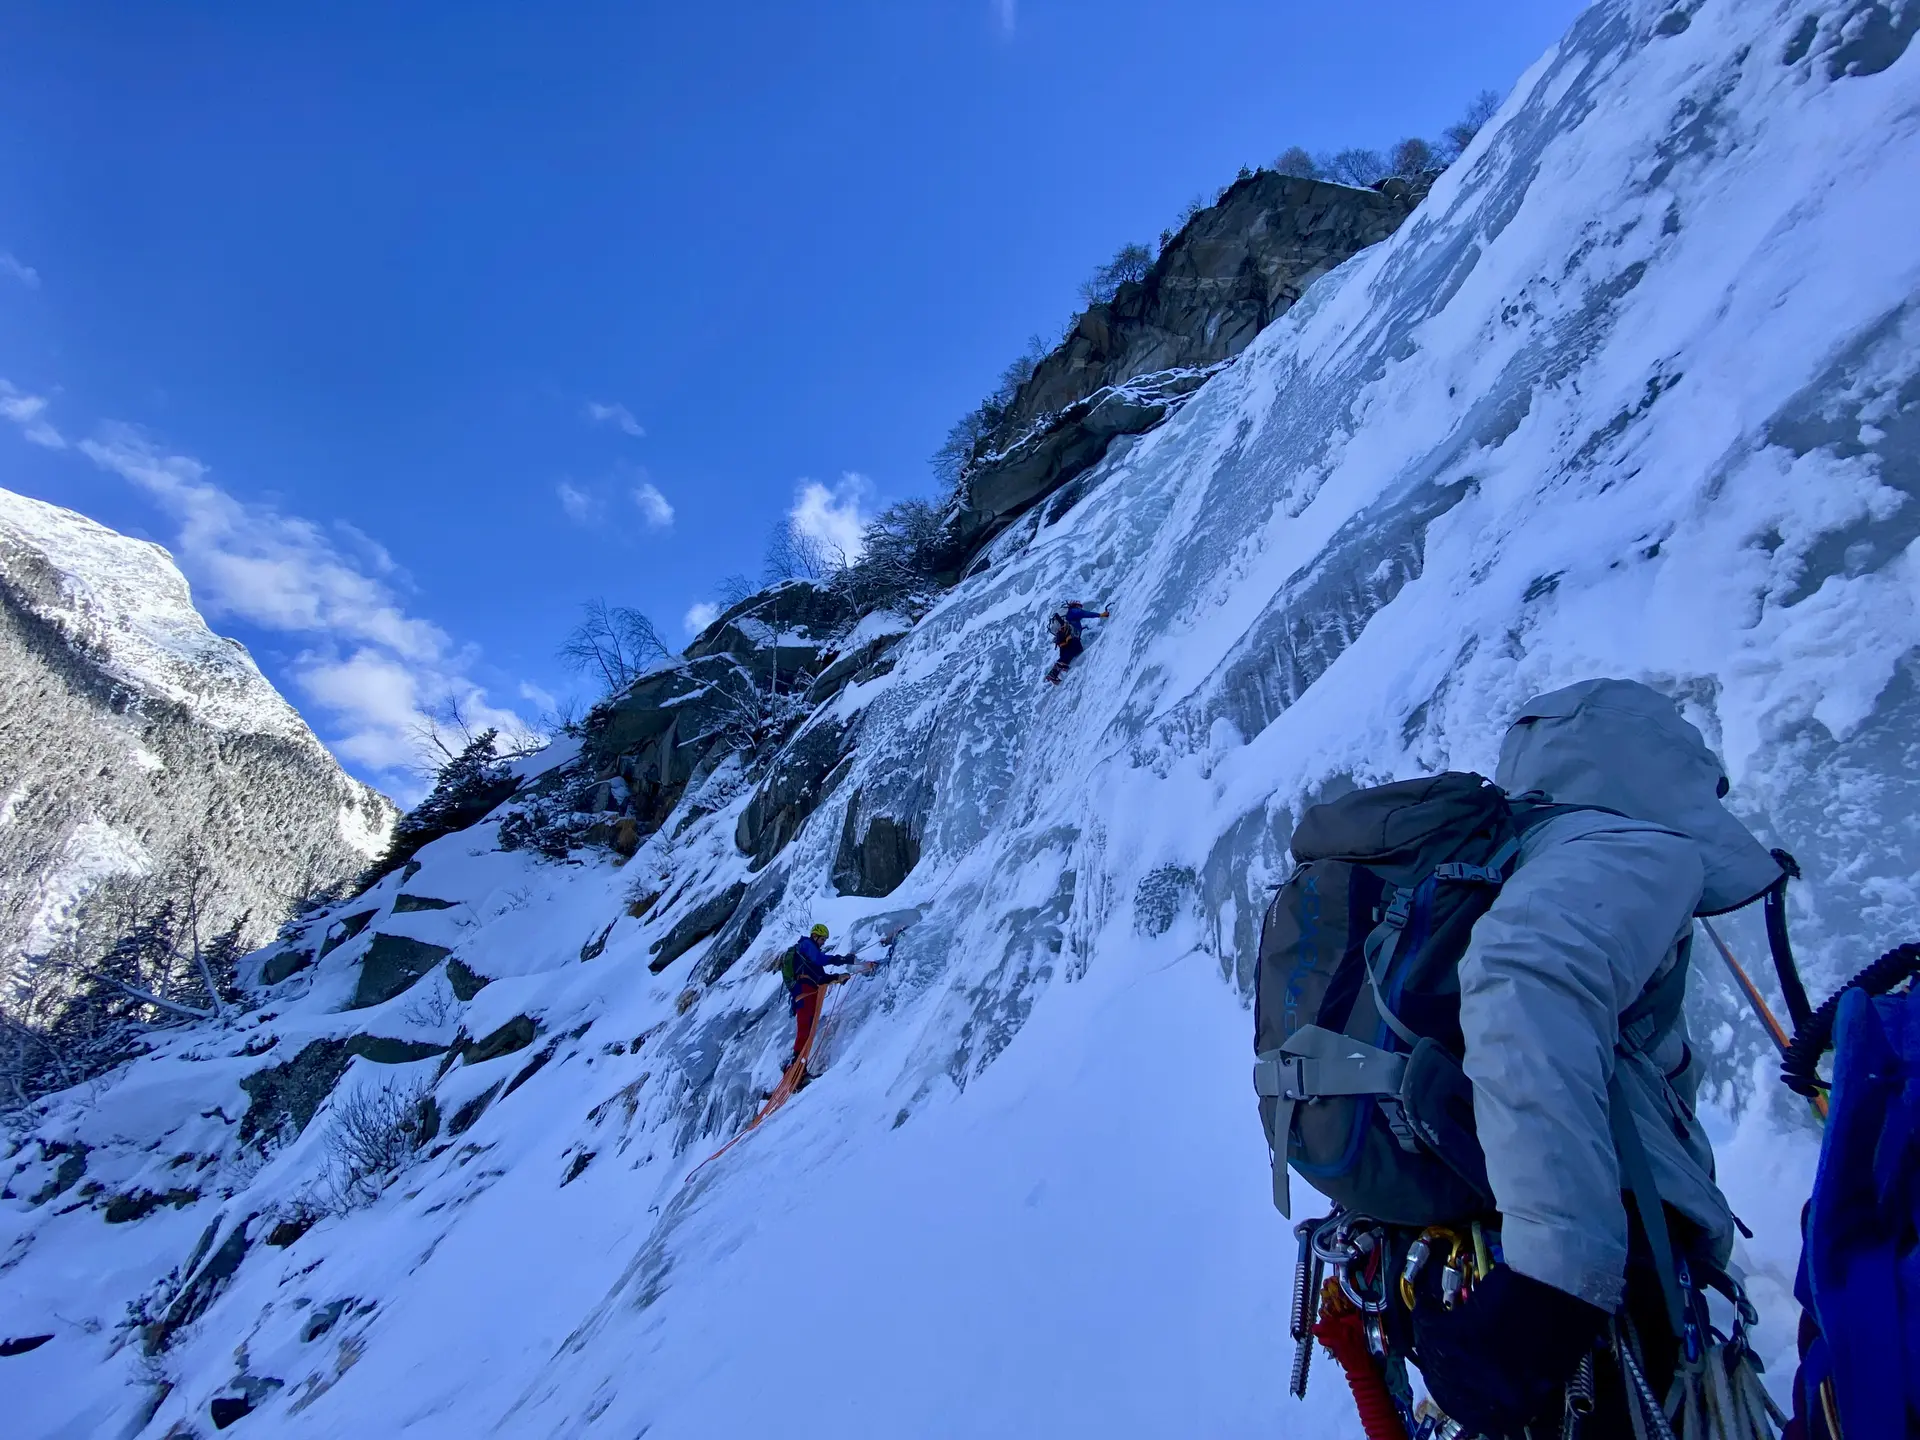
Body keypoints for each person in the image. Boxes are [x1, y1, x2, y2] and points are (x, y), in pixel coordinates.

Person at [1411, 680, 1783, 1435]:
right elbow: (1525, 978)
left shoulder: (1512, 854)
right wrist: (1557, 1279)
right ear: (1650, 765)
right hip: (1597, 1264)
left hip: (1478, 1221)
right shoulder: (1625, 848)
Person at [782, 923, 860, 1079]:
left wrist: (838, 977)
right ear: (815, 936)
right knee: (805, 1031)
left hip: (807, 994)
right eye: (822, 939)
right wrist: (841, 959)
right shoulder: (807, 945)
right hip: (804, 994)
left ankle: (796, 1068)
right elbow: (820, 960)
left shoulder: (807, 958)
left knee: (807, 1030)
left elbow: (821, 977)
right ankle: (797, 1070)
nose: (823, 942)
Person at [1044, 601, 1109, 683]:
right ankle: (1056, 675)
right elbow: (1085, 614)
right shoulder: (1073, 611)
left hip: (1062, 639)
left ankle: (1056, 676)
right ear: (1076, 606)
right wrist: (1101, 615)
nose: (1080, 608)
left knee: (1067, 657)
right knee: (1075, 653)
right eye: (1079, 607)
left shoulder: (1067, 617)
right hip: (1071, 638)